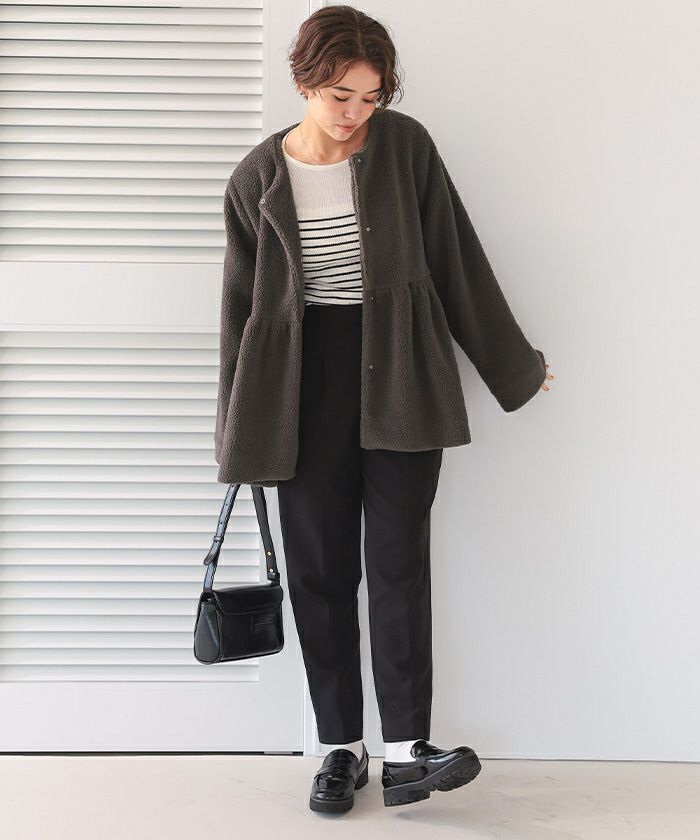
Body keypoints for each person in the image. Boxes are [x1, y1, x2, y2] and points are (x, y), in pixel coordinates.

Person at [216, 4, 554, 815]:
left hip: (401, 371)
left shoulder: (406, 148)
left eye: (371, 97)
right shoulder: (256, 179)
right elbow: (239, 314)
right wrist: (237, 435)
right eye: (341, 95)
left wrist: (513, 366)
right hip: (299, 386)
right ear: (305, 81)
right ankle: (340, 748)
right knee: (320, 571)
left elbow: (456, 259)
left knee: (400, 561)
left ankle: (406, 750)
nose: (355, 113)